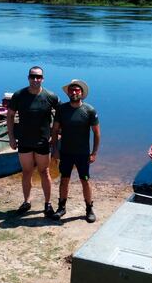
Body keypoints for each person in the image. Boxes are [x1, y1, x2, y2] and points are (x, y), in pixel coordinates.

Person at [7, 66, 59, 216]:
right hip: (24, 140)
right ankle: (26, 201)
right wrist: (11, 137)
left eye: (38, 77)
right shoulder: (19, 95)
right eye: (32, 76)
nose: (35, 79)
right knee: (27, 172)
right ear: (28, 77)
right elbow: (10, 116)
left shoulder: (51, 96)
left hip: (43, 141)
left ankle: (48, 204)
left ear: (43, 78)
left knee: (44, 172)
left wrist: (56, 135)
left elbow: (60, 116)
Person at [50, 79, 101, 223]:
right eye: (71, 90)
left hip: (82, 153)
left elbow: (97, 133)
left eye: (77, 90)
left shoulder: (89, 110)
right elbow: (54, 131)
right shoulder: (62, 109)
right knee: (64, 180)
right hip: (65, 152)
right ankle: (61, 207)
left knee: (85, 180)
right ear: (68, 93)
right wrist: (55, 149)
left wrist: (94, 153)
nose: (74, 92)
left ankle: (89, 209)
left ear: (82, 93)